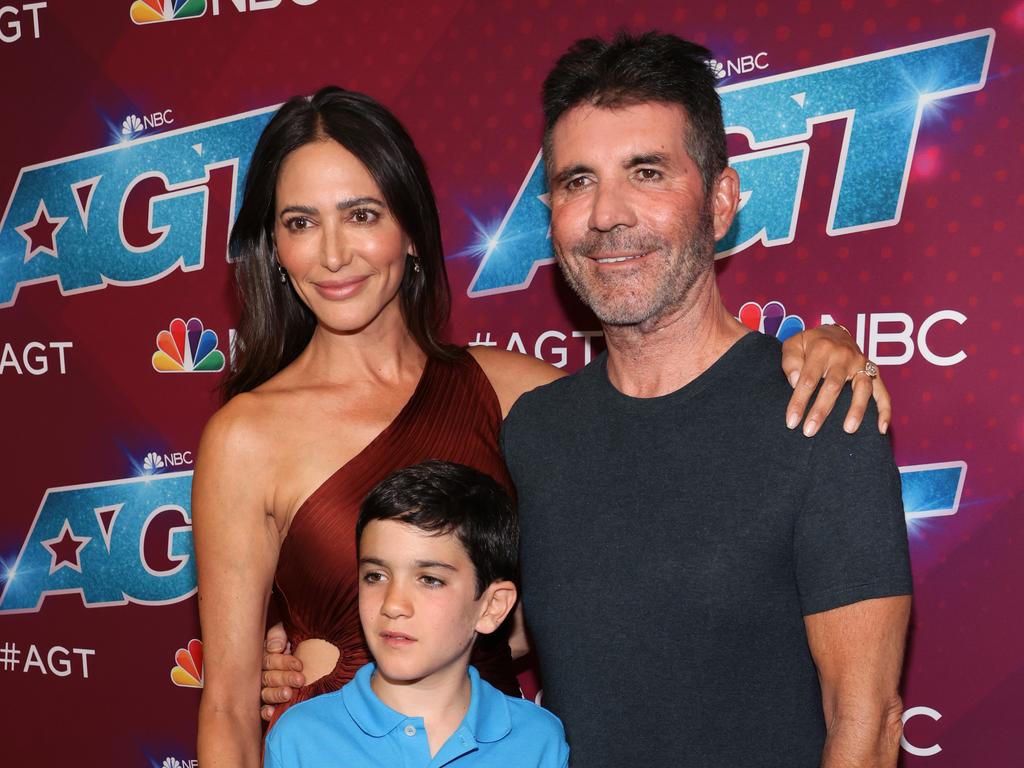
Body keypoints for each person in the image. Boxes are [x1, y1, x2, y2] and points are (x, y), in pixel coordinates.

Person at [198, 85, 884, 766]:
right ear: (274, 251)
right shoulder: (246, 437)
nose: (333, 254)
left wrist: (812, 352)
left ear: (409, 231)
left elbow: (598, 550)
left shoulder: (514, 392)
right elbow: (227, 708)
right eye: (299, 222)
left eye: (361, 214)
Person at [498, 31, 913, 767]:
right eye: (577, 181)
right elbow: (496, 624)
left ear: (721, 201)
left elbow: (866, 722)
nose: (606, 214)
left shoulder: (821, 411)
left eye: (646, 172)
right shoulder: (535, 430)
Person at [264, 461, 570, 767]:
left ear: (492, 606)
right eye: (376, 576)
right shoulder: (301, 739)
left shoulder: (537, 740)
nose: (393, 604)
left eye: (430, 580)